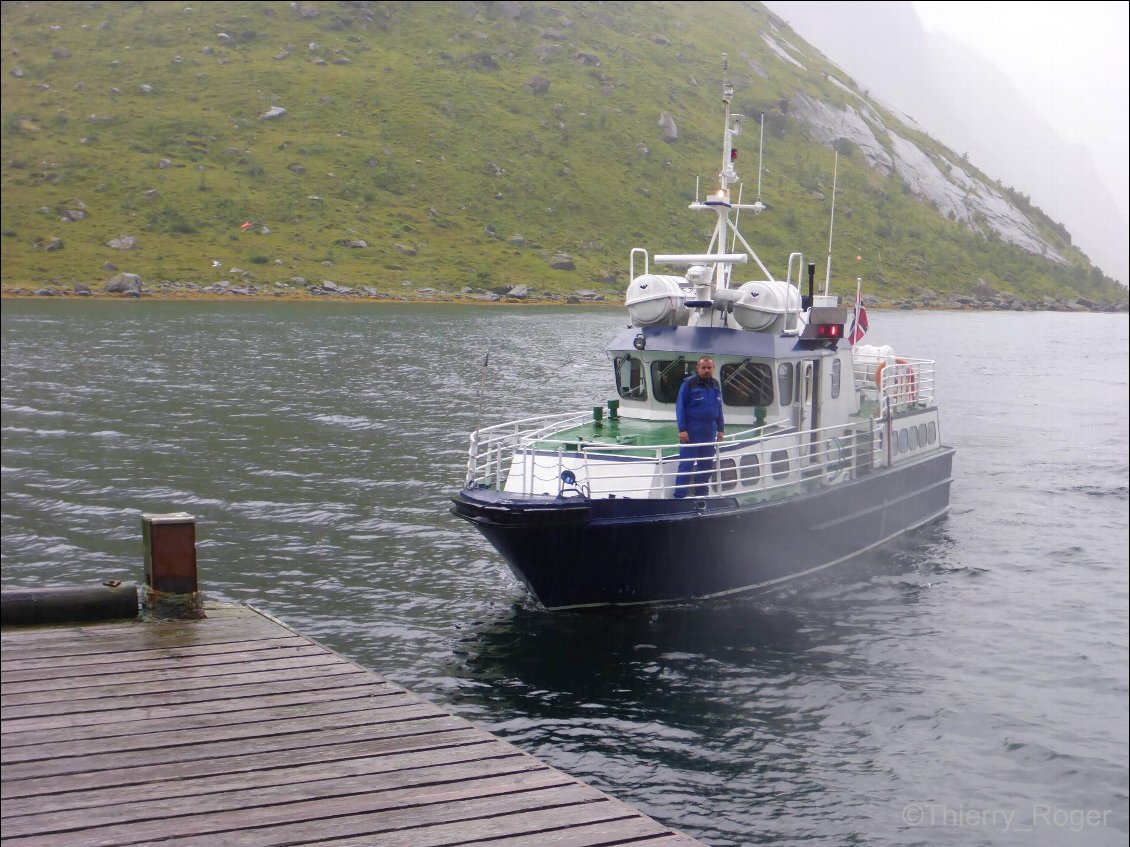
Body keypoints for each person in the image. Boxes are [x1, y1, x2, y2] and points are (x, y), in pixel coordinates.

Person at [674, 356, 724, 497]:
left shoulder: (715, 385)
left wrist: (721, 429)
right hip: (692, 430)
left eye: (709, 367)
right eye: (703, 368)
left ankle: (701, 495)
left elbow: (719, 408)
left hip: (709, 431)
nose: (707, 370)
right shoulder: (689, 384)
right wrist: (682, 429)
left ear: (713, 368)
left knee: (706, 466)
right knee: (686, 466)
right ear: (698, 368)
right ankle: (679, 497)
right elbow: (680, 407)